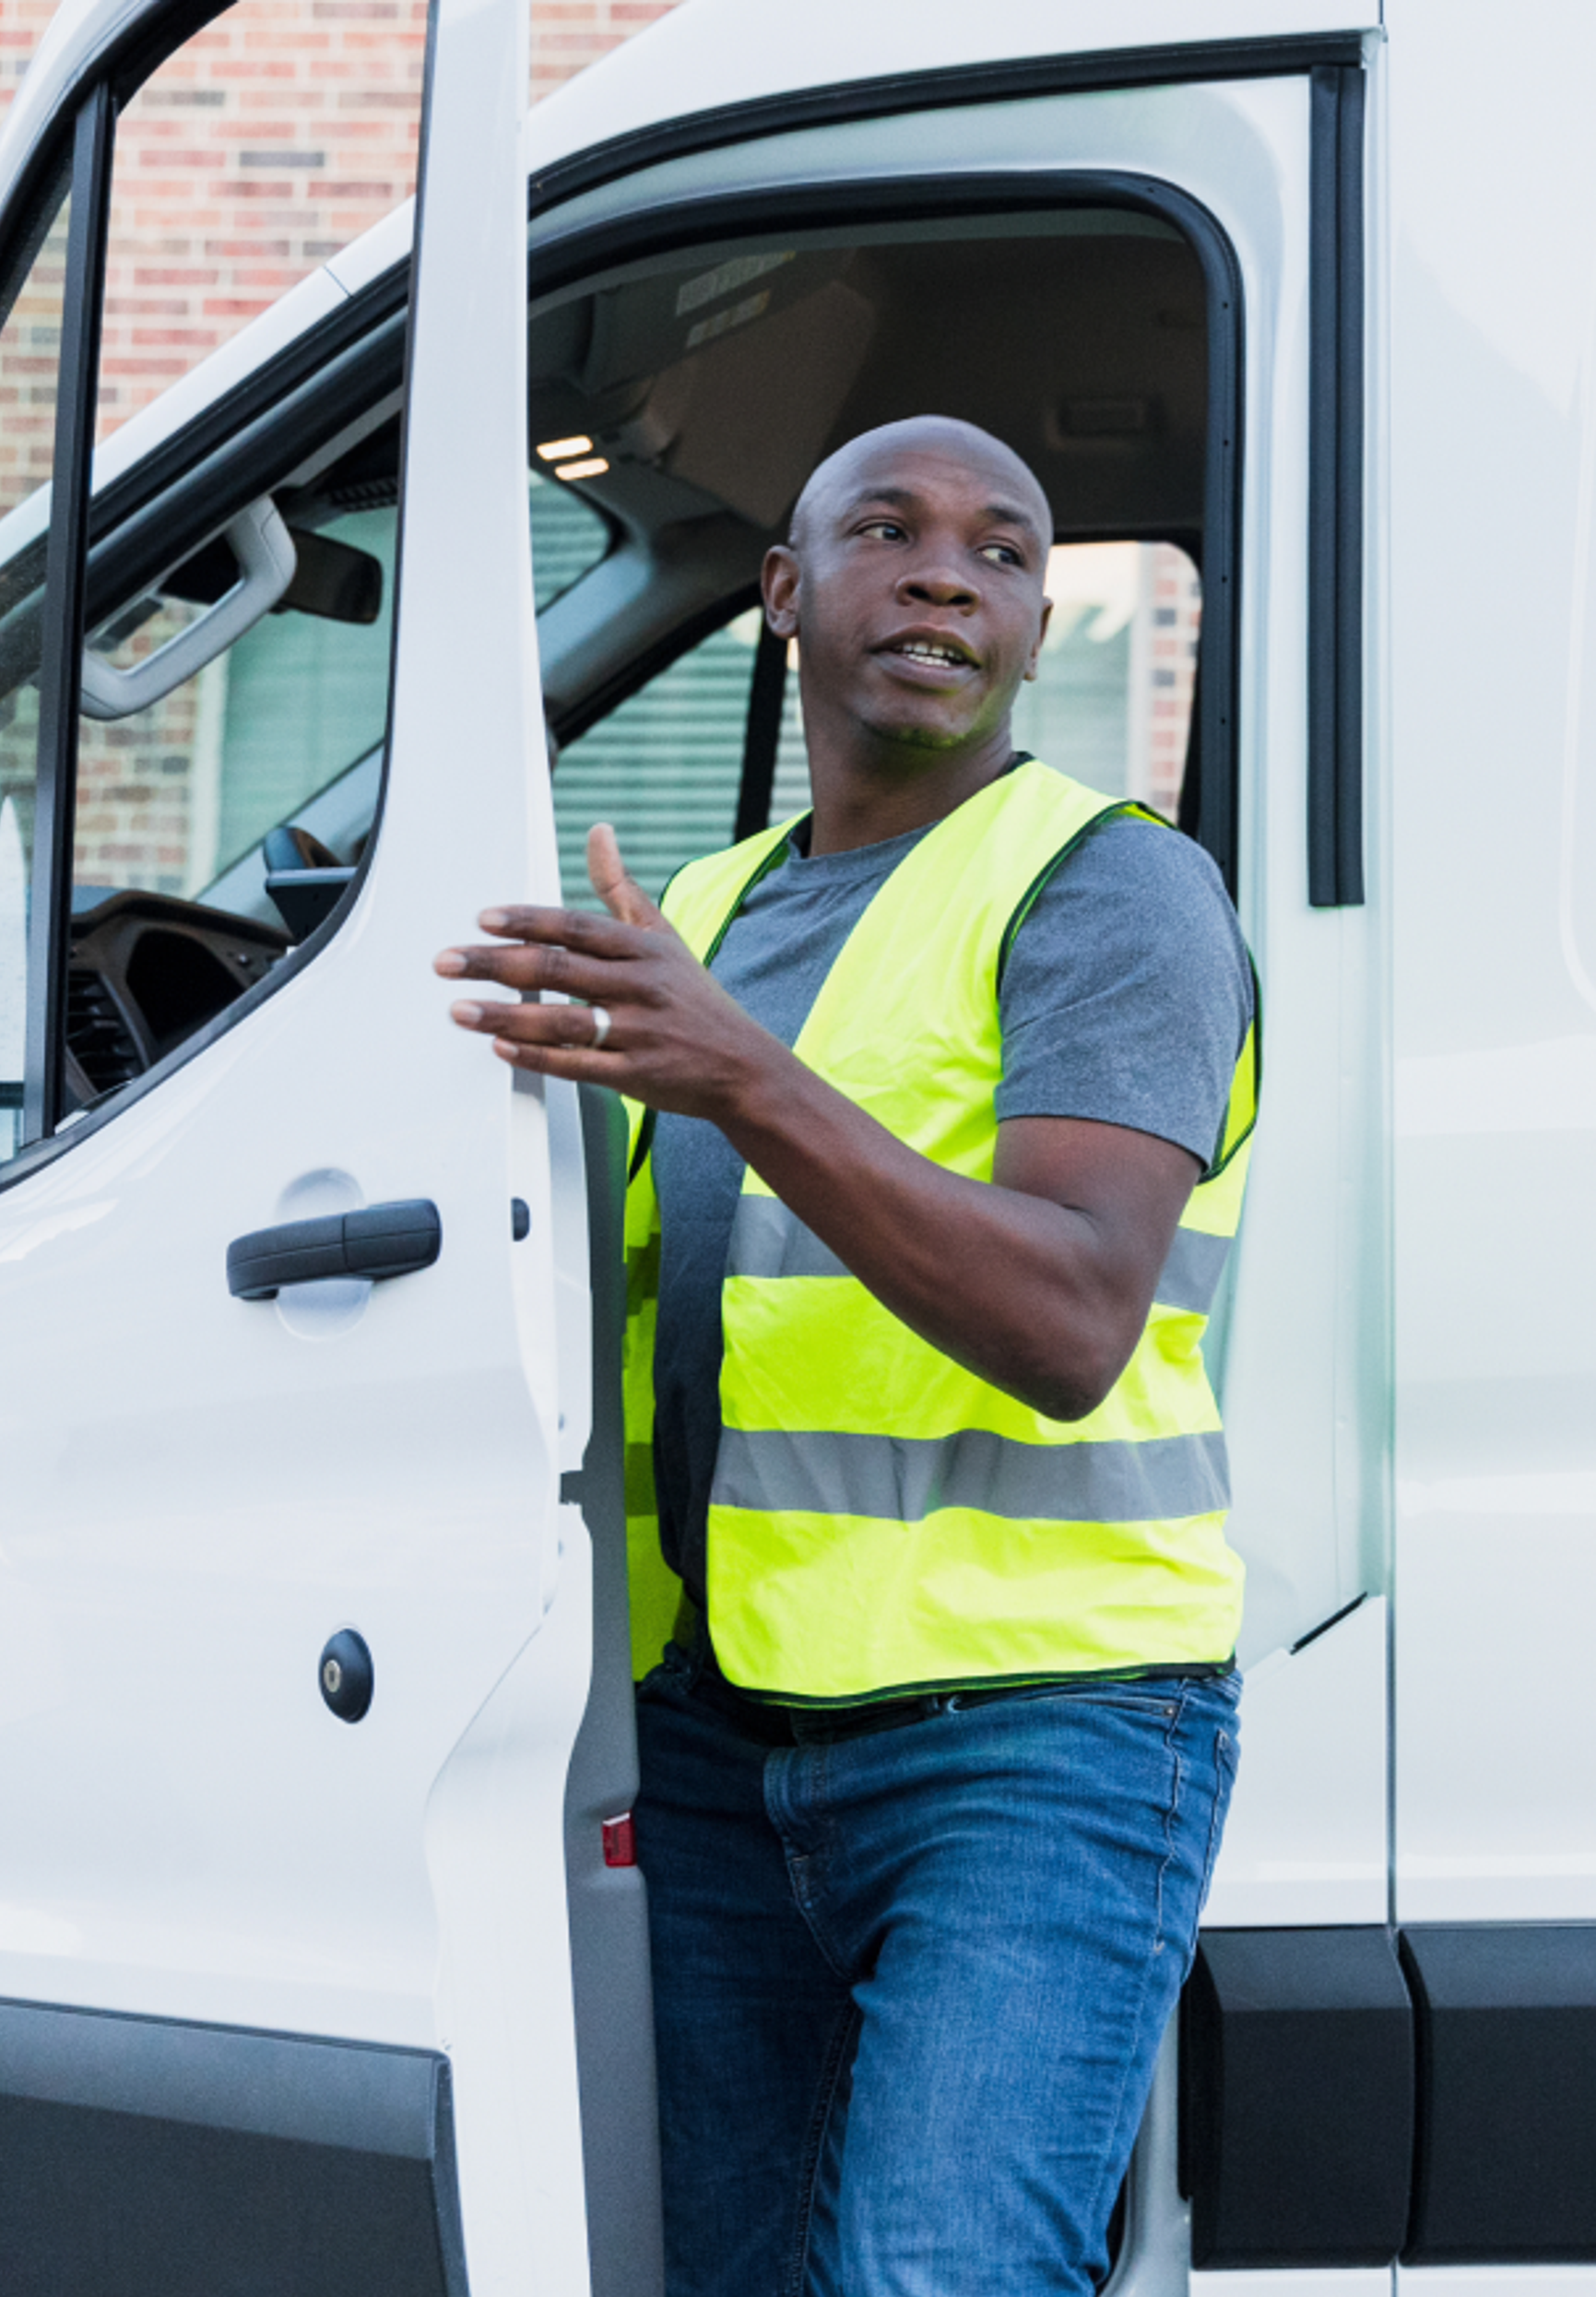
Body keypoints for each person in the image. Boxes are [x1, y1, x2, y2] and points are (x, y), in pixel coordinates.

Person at [442, 414, 1259, 2295]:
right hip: (716, 1736)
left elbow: (1072, 1320)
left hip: (1038, 1738)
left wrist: (742, 1074)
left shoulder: (1114, 889)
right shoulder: (701, 919)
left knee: (931, 2279)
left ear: (1034, 629)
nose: (946, 574)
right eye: (889, 531)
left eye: (1001, 551)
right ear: (786, 593)